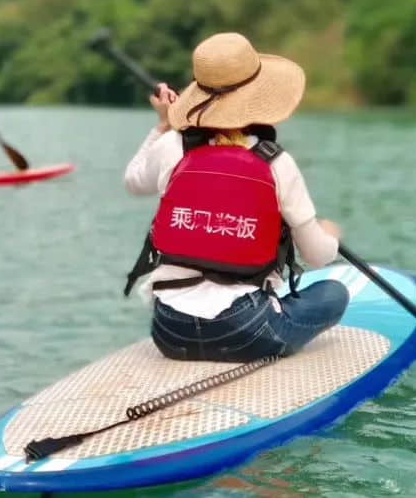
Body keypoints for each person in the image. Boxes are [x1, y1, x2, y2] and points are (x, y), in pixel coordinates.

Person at [123, 32, 349, 363]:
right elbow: (317, 256)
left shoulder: (172, 146)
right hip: (246, 329)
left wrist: (162, 127)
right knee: (334, 293)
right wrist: (330, 236)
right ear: (260, 100)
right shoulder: (275, 162)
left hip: (169, 330)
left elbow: (133, 181)